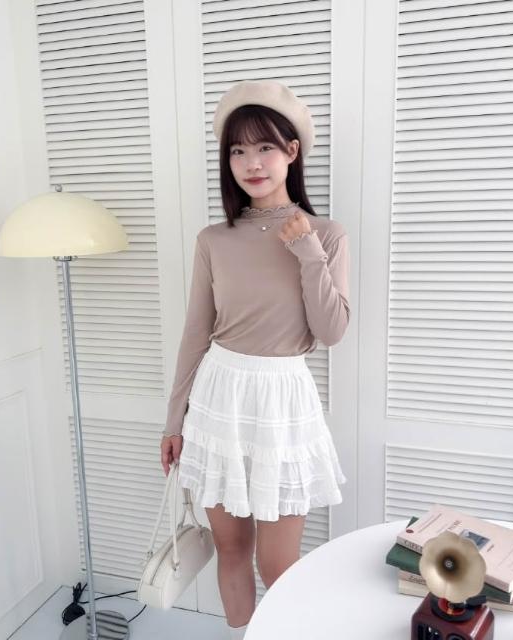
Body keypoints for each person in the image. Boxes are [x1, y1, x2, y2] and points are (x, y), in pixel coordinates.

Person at [159, 79, 350, 639]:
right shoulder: (213, 239)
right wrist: (174, 421)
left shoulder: (326, 235)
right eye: (238, 151)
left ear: (292, 151)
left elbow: (332, 331)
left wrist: (307, 251)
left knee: (279, 563)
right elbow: (196, 333)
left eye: (265, 147)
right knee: (232, 547)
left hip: (283, 401)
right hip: (218, 395)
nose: (252, 163)